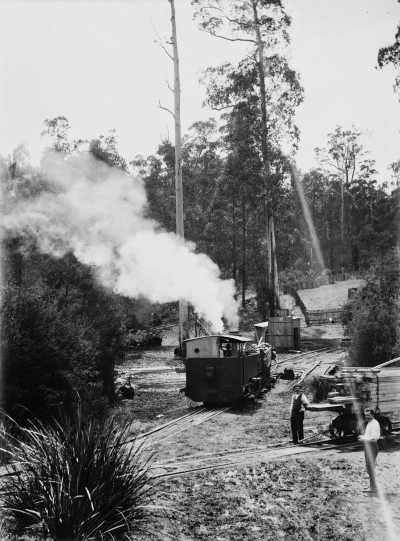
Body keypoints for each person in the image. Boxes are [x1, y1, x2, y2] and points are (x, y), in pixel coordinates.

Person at [359, 408, 381, 494]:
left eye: (368, 415)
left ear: (372, 415)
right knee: (369, 468)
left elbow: (374, 438)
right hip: (368, 447)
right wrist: (363, 437)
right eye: (365, 415)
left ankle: (373, 488)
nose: (366, 417)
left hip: (372, 447)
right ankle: (372, 486)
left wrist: (363, 438)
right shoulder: (369, 423)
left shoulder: (375, 424)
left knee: (370, 468)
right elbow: (368, 435)